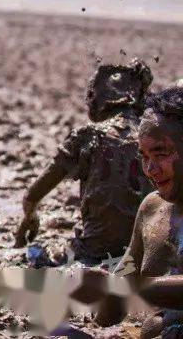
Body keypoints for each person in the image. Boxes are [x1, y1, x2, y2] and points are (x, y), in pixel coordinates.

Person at [15, 59, 153, 265]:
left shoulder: (87, 135)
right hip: (145, 252)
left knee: (35, 258)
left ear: (96, 99)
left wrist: (30, 216)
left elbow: (34, 194)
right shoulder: (153, 137)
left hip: (95, 248)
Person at [70, 85, 183, 337]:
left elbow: (125, 288)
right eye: (143, 156)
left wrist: (124, 288)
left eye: (160, 153)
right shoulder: (151, 209)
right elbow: (112, 312)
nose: (150, 169)